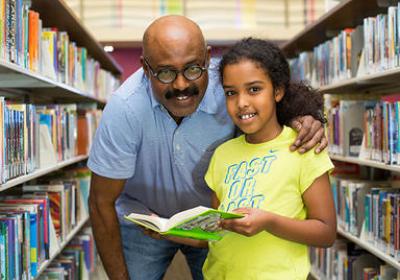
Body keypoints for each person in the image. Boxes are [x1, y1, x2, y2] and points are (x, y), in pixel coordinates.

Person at [87, 16, 329, 280]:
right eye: (166, 73)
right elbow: (101, 202)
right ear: (145, 68)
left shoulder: (229, 86)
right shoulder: (124, 108)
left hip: (212, 222)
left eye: (193, 69)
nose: (181, 85)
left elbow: (267, 106)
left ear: (207, 57)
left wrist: (299, 117)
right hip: (145, 222)